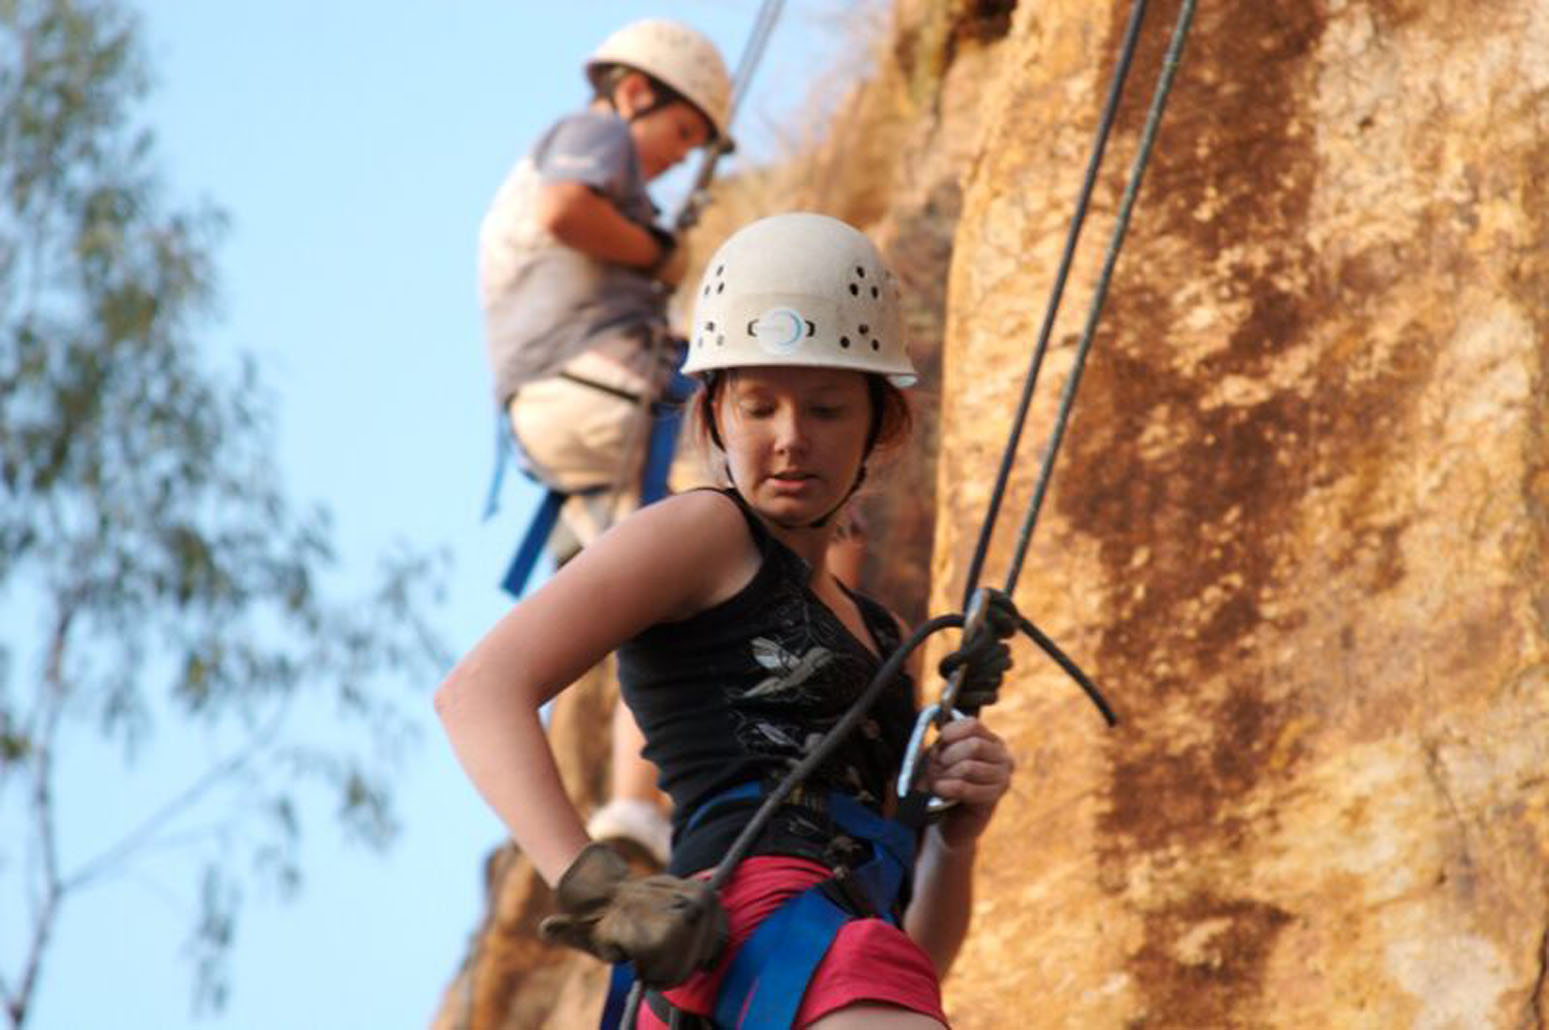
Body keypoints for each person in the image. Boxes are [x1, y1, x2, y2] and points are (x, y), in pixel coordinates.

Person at [439, 213, 1018, 1028]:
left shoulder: (884, 636)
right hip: (746, 942)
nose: (789, 440)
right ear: (713, 415)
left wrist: (955, 836)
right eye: (758, 407)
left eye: (824, 409)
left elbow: (914, 961)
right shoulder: (703, 531)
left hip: (811, 967)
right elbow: (478, 692)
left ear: (877, 425)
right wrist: (597, 889)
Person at [476, 18, 733, 864]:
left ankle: (631, 810)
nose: (679, 156)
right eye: (681, 131)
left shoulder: (574, 159)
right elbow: (565, 211)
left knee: (650, 600)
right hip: (599, 387)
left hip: (554, 412)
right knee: (743, 495)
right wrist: (657, 254)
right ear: (633, 93)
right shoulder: (591, 135)